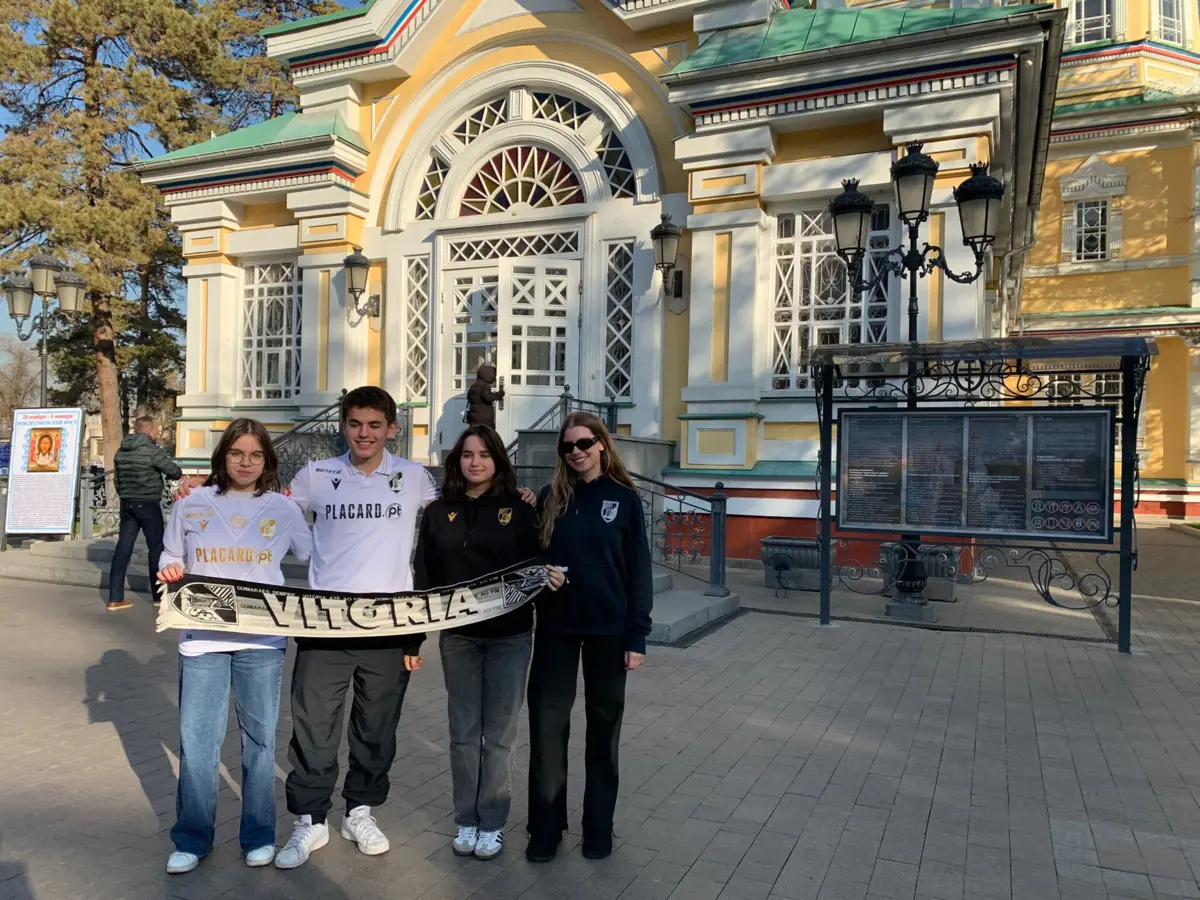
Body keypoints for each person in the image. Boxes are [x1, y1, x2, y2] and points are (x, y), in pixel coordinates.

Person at [157, 419, 313, 875]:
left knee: (260, 744)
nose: (246, 463)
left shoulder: (282, 509)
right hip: (202, 640)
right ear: (222, 456)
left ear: (267, 460)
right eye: (237, 453)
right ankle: (192, 838)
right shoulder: (192, 503)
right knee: (197, 744)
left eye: (256, 455)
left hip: (262, 640)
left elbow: (314, 554)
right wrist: (170, 568)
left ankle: (259, 835)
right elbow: (171, 554)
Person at [412, 425, 564, 862]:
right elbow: (425, 575)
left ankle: (492, 823)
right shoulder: (440, 511)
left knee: (498, 736)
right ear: (457, 460)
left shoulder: (519, 508)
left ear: (498, 460)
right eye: (466, 454)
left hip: (510, 637)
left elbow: (538, 561)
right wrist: (414, 638)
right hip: (458, 638)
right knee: (463, 734)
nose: (475, 462)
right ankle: (466, 818)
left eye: (484, 454)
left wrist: (550, 574)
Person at [525, 412, 653, 863]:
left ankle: (598, 827)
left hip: (609, 632)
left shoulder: (624, 499)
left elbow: (639, 571)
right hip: (557, 629)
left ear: (601, 444)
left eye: (584, 443)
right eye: (567, 447)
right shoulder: (549, 498)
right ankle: (545, 828)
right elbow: (528, 558)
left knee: (603, 734)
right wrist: (541, 574)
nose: (576, 452)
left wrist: (637, 636)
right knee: (546, 730)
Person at [108, 416, 183, 612]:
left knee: (123, 549)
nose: (157, 435)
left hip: (127, 504)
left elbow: (116, 479)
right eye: (156, 431)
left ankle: (115, 598)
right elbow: (174, 471)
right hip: (148, 503)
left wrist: (126, 494)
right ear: (150, 431)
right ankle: (158, 597)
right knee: (156, 549)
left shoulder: (121, 451)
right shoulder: (151, 450)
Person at [465, 364, 504, 429]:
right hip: (484, 418)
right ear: (489, 376)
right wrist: (499, 394)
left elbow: (469, 397)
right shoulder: (485, 385)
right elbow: (488, 398)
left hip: (474, 418)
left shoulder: (474, 385)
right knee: (486, 434)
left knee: (475, 432)